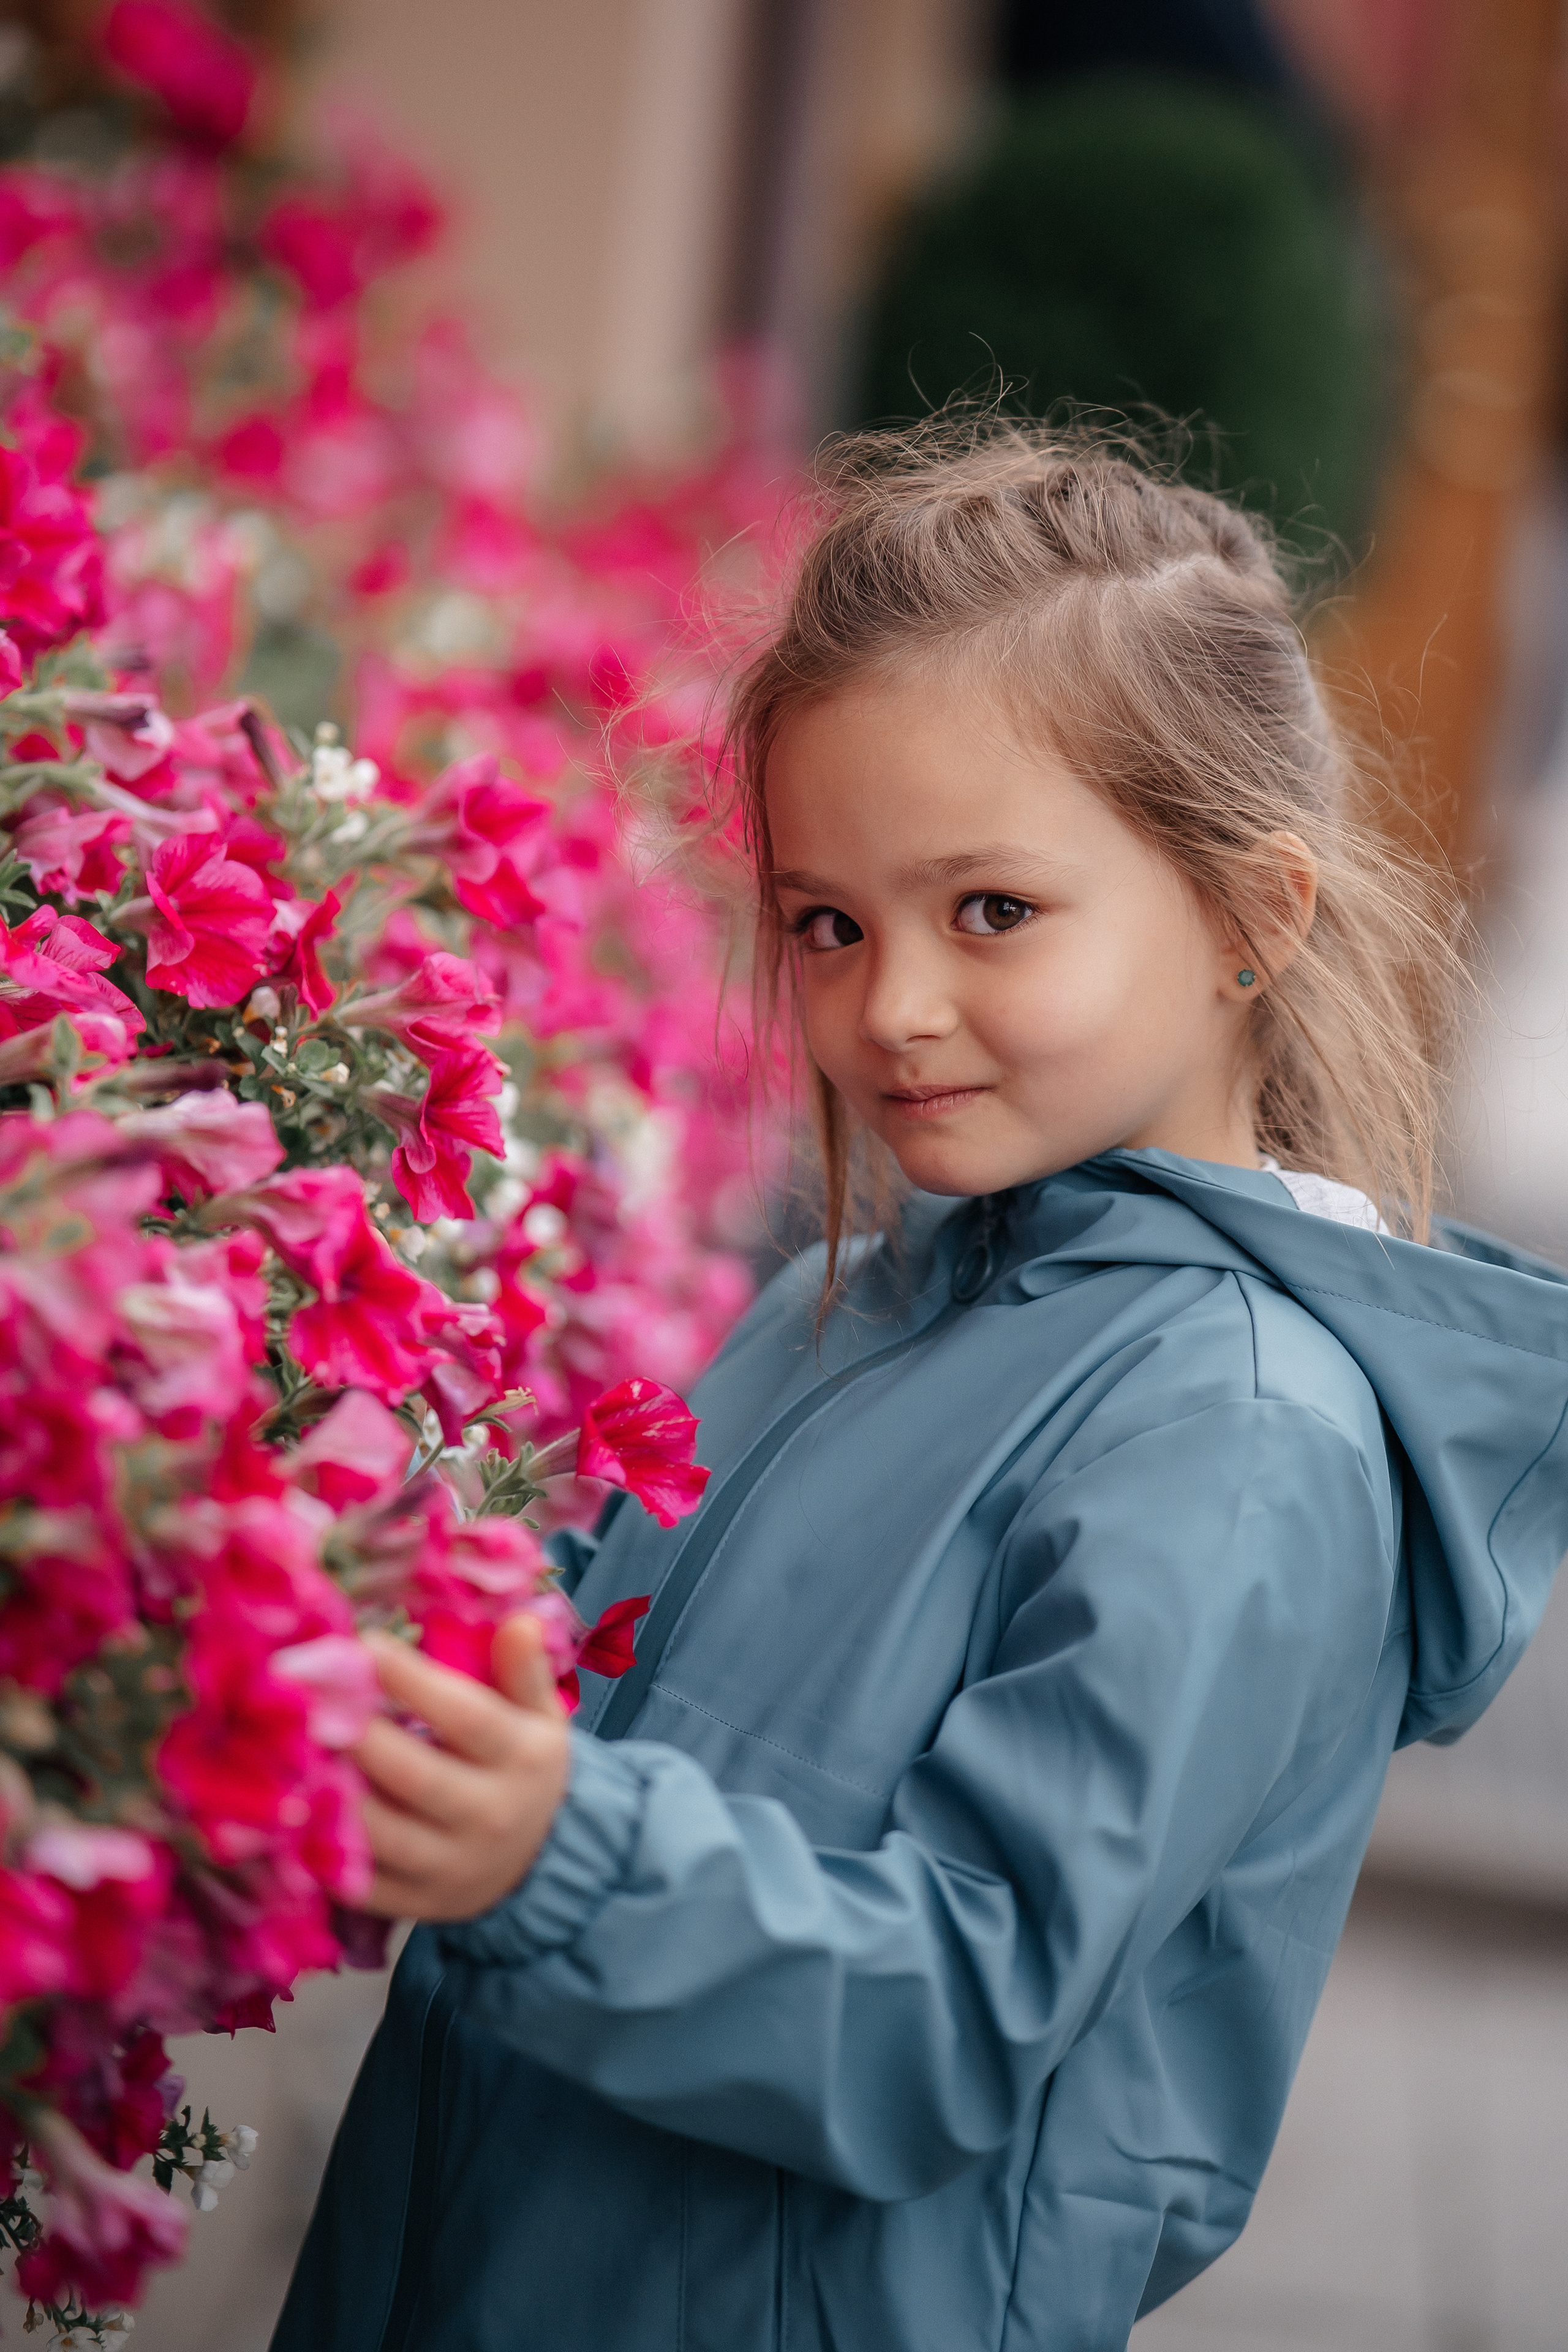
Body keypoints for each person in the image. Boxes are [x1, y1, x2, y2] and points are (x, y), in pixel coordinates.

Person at [271, 427, 1568, 2352]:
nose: (891, 1007)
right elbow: (599, 1688)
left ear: (1247, 916)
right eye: (828, 922)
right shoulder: (832, 1300)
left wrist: (553, 1861)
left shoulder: (1240, 1438)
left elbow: (955, 2014)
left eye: (990, 914)